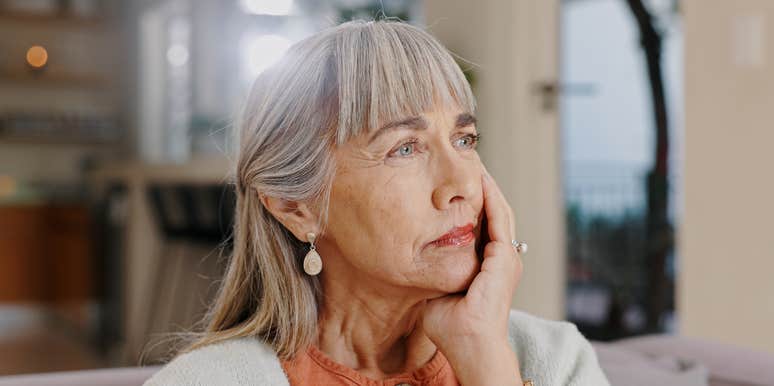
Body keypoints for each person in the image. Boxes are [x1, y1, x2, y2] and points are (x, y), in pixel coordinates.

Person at [144, 20, 610, 386]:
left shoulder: (552, 358)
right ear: (294, 206)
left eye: (464, 140)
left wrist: (484, 358)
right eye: (404, 148)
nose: (461, 185)